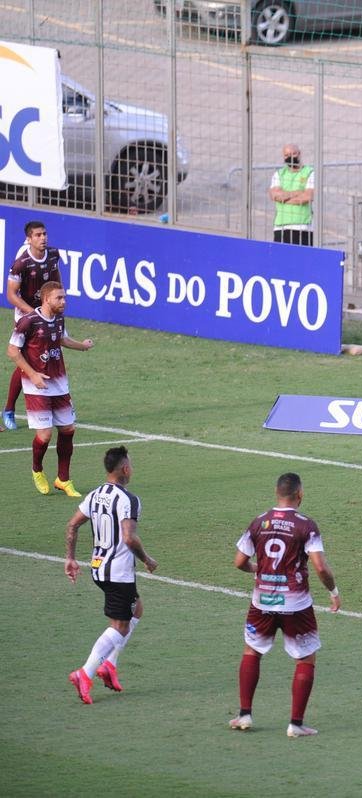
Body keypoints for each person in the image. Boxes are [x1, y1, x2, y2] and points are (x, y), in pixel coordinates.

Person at [229, 472, 340, 738]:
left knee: (252, 651)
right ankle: (295, 723)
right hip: (296, 604)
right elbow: (320, 566)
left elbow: (239, 562)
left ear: (277, 494)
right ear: (299, 495)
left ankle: (244, 714)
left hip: (262, 601)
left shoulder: (258, 522)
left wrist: (258, 569)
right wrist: (333, 590)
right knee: (305, 659)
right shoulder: (306, 525)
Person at [64, 445, 157, 704]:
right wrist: (147, 559)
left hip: (98, 568)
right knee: (120, 626)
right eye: (131, 464)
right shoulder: (128, 499)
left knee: (136, 609)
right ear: (125, 468)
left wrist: (70, 558)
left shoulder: (94, 495)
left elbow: (72, 526)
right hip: (118, 572)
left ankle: (110, 664)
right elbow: (129, 537)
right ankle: (86, 673)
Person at [7, 281, 94, 497]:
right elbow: (12, 351)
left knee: (68, 430)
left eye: (64, 297)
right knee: (44, 436)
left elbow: (62, 339)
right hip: (36, 386)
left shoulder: (59, 319)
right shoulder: (28, 322)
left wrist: (82, 346)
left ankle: (63, 479)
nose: (64, 301)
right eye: (59, 298)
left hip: (59, 383)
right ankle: (37, 470)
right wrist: (33, 374)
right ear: (46, 299)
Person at [5, 219, 63, 431]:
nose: (43, 238)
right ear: (28, 239)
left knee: (46, 358)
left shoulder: (54, 255)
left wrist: (58, 303)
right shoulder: (21, 263)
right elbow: (11, 294)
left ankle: (52, 403)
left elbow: (57, 283)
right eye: (38, 235)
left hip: (48, 313)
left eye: (44, 234)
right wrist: (33, 314)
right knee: (28, 360)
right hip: (27, 315)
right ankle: (9, 410)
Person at [268, 143, 315, 246]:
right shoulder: (279, 174)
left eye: (293, 154)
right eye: (287, 155)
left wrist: (284, 198)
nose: (290, 157)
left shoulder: (309, 172)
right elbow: (275, 195)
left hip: (303, 226)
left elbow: (308, 196)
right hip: (281, 226)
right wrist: (297, 193)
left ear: (299, 154)